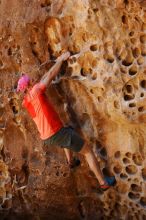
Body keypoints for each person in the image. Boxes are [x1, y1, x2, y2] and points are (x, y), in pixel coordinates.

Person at [17, 51, 116, 191]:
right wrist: (62, 60)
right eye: (29, 81)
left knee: (67, 130)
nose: (32, 80)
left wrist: (56, 62)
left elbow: (44, 78)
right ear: (28, 86)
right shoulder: (36, 91)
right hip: (56, 133)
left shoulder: (27, 101)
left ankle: (71, 162)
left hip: (47, 137)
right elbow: (50, 76)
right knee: (88, 151)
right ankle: (103, 182)